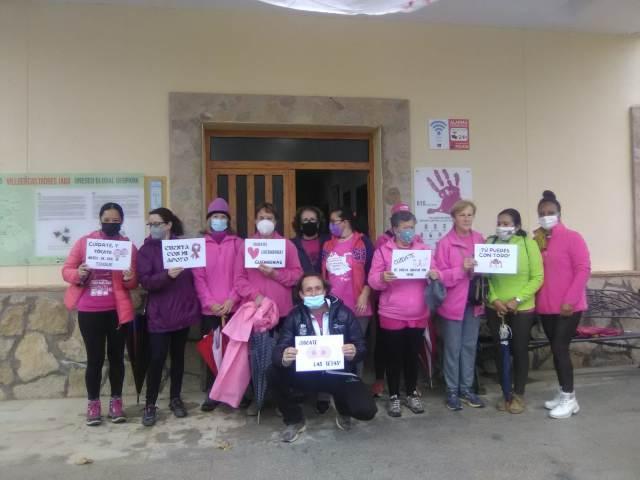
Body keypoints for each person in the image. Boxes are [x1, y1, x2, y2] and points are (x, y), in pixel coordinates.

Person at [270, 273, 378, 443]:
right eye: (308, 290)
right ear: (301, 294)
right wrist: (284, 356)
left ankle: (343, 409)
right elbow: (279, 348)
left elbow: (361, 346)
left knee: (366, 410)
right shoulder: (294, 316)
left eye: (318, 288)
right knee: (273, 371)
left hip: (338, 373)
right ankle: (294, 420)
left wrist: (354, 352)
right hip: (305, 374)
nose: (313, 293)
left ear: (325, 290)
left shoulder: (344, 313)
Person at [61, 202, 137, 426]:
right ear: (100, 219)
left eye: (116, 221)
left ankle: (116, 402)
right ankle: (93, 403)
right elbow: (66, 270)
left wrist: (129, 277)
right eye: (107, 220)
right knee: (94, 359)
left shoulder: (128, 247)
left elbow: (133, 281)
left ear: (122, 221)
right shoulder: (85, 243)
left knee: (116, 359)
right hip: (90, 311)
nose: (111, 224)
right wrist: (79, 273)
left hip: (117, 311)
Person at [369, 209, 439, 417]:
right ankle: (394, 397)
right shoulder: (383, 251)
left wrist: (434, 274)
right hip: (392, 313)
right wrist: (383, 278)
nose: (408, 232)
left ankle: (411, 393)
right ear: (394, 229)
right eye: (404, 228)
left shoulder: (423, 250)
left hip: (418, 313)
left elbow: (436, 271)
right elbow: (372, 280)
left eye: (411, 228)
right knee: (394, 357)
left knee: (411, 355)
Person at [136, 208, 201, 426]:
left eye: (156, 223)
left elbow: (195, 277)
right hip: (159, 315)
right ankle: (150, 403)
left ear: (168, 225)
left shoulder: (183, 247)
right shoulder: (145, 251)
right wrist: (167, 276)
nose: (153, 227)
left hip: (181, 312)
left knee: (178, 358)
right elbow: (145, 281)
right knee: (156, 359)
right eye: (150, 224)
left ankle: (175, 398)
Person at [534, 190, 590, 419]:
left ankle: (570, 398)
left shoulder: (572, 237)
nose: (546, 216)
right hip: (546, 307)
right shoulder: (536, 239)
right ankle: (563, 392)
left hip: (569, 307)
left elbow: (583, 269)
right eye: (542, 213)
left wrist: (570, 300)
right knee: (557, 351)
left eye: (550, 212)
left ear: (559, 213)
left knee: (559, 348)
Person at [485, 208, 544, 414]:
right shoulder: (490, 243)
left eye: (507, 223)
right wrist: (494, 299)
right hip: (496, 309)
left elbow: (537, 277)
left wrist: (517, 300)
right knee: (501, 352)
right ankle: (506, 394)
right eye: (499, 223)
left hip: (522, 309)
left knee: (519, 350)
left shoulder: (529, 245)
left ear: (517, 226)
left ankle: (519, 394)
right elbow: (485, 278)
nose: (502, 227)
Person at [433, 200, 486, 411]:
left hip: (474, 302)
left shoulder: (480, 239)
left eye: (470, 215)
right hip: (452, 304)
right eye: (462, 215)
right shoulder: (445, 243)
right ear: (453, 218)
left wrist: (479, 268)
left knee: (469, 347)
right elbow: (440, 277)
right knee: (453, 349)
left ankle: (466, 388)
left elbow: (486, 267)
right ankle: (452, 391)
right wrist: (461, 269)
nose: (466, 219)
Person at [192, 198, 244, 411]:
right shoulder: (199, 245)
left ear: (228, 220)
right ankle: (213, 393)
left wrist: (232, 299)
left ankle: (235, 392)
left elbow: (241, 275)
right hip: (210, 310)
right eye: (215, 216)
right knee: (213, 351)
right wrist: (210, 303)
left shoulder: (238, 243)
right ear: (208, 220)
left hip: (235, 307)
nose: (219, 220)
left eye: (223, 217)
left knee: (235, 352)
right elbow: (198, 277)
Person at [322, 206, 374, 370]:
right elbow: (322, 274)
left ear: (345, 222)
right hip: (332, 306)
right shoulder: (327, 245)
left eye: (333, 221)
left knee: (355, 349)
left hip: (358, 304)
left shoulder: (362, 242)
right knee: (333, 349)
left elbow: (372, 271)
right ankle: (334, 389)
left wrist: (364, 294)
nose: (330, 225)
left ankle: (354, 386)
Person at [371, 202, 411, 396]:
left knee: (409, 349)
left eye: (409, 222)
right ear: (394, 224)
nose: (407, 229)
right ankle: (382, 379)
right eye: (401, 219)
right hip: (388, 303)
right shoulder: (382, 243)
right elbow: (376, 274)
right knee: (386, 345)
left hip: (413, 308)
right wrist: (383, 278)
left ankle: (410, 386)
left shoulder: (419, 245)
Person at [291, 205, 330, 274]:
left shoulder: (329, 241)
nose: (309, 222)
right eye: (305, 220)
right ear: (300, 225)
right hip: (301, 283)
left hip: (324, 283)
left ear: (318, 224)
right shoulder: (292, 244)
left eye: (312, 219)